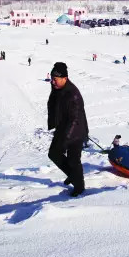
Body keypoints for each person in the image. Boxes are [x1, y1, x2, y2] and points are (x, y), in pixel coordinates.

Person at [47, 62, 89, 197]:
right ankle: (73, 175)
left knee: (73, 160)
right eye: (52, 78)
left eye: (55, 79)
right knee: (53, 153)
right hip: (63, 127)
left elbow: (75, 120)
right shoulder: (58, 88)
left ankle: (79, 187)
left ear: (65, 78)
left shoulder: (73, 95)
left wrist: (66, 139)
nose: (52, 82)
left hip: (76, 130)